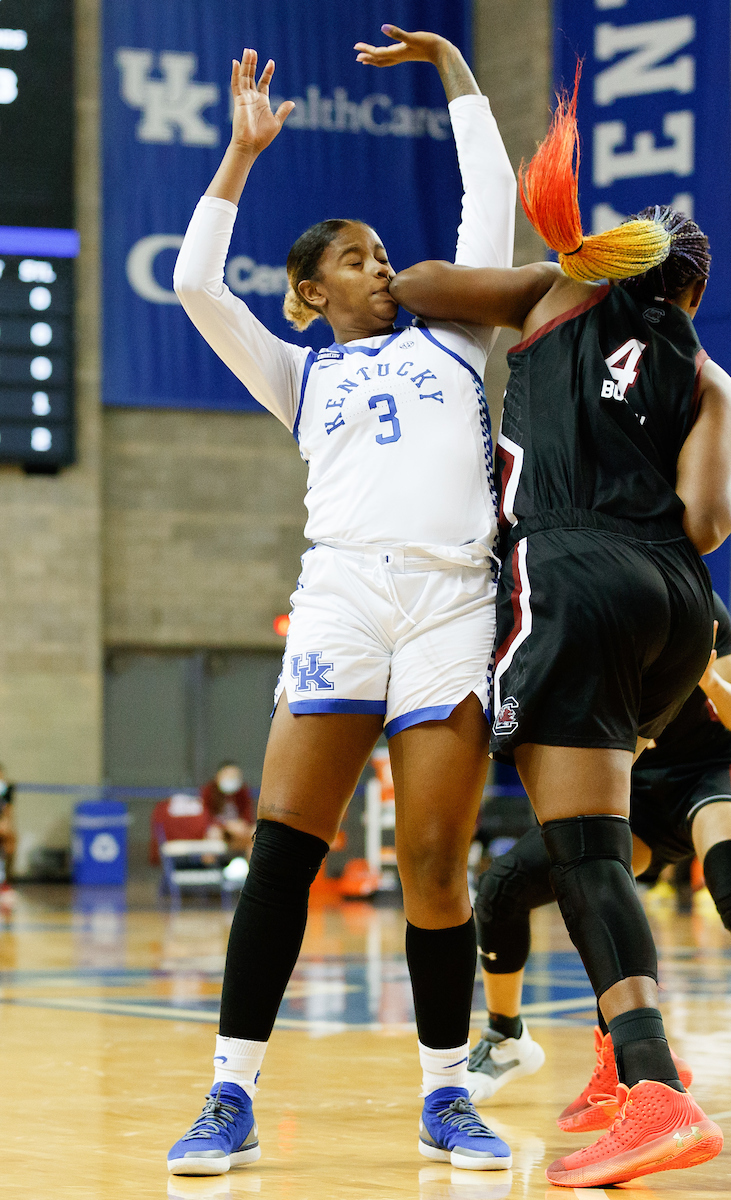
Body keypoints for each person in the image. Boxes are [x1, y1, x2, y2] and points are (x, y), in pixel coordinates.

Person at [166, 27, 516, 1176]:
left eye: (383, 254)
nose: (381, 267)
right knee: (285, 849)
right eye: (357, 260)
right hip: (344, 598)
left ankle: (447, 1094)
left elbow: (492, 198)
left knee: (434, 862)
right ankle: (230, 1093)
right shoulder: (297, 368)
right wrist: (242, 155)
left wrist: (455, 68)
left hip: (452, 604)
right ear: (312, 293)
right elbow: (194, 284)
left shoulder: (455, 338)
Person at [390, 82, 731, 1185]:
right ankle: (626, 1070)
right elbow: (710, 521)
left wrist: (545, 276)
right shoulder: (711, 376)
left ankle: (656, 1091)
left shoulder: (559, 291)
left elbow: (419, 285)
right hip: (679, 604)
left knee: (587, 854)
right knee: (597, 848)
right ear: (690, 291)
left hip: (573, 573)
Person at [465, 593, 731, 1127]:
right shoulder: (580, 606)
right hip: (635, 779)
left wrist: (709, 680)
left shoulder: (694, 602)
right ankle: (506, 1036)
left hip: (715, 767)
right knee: (504, 886)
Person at [200, 762, 255, 859]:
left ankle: (252, 865)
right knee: (213, 834)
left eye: (234, 776)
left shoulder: (243, 791)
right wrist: (226, 825)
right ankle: (211, 866)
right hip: (219, 829)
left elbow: (248, 818)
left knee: (255, 833)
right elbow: (206, 819)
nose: (231, 779)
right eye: (228, 776)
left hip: (239, 831)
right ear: (218, 776)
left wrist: (242, 825)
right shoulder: (209, 791)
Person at [0, 764, 16, 910]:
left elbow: (8, 814)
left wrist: (6, 825)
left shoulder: (6, 789)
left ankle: (5, 883)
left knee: (11, 840)